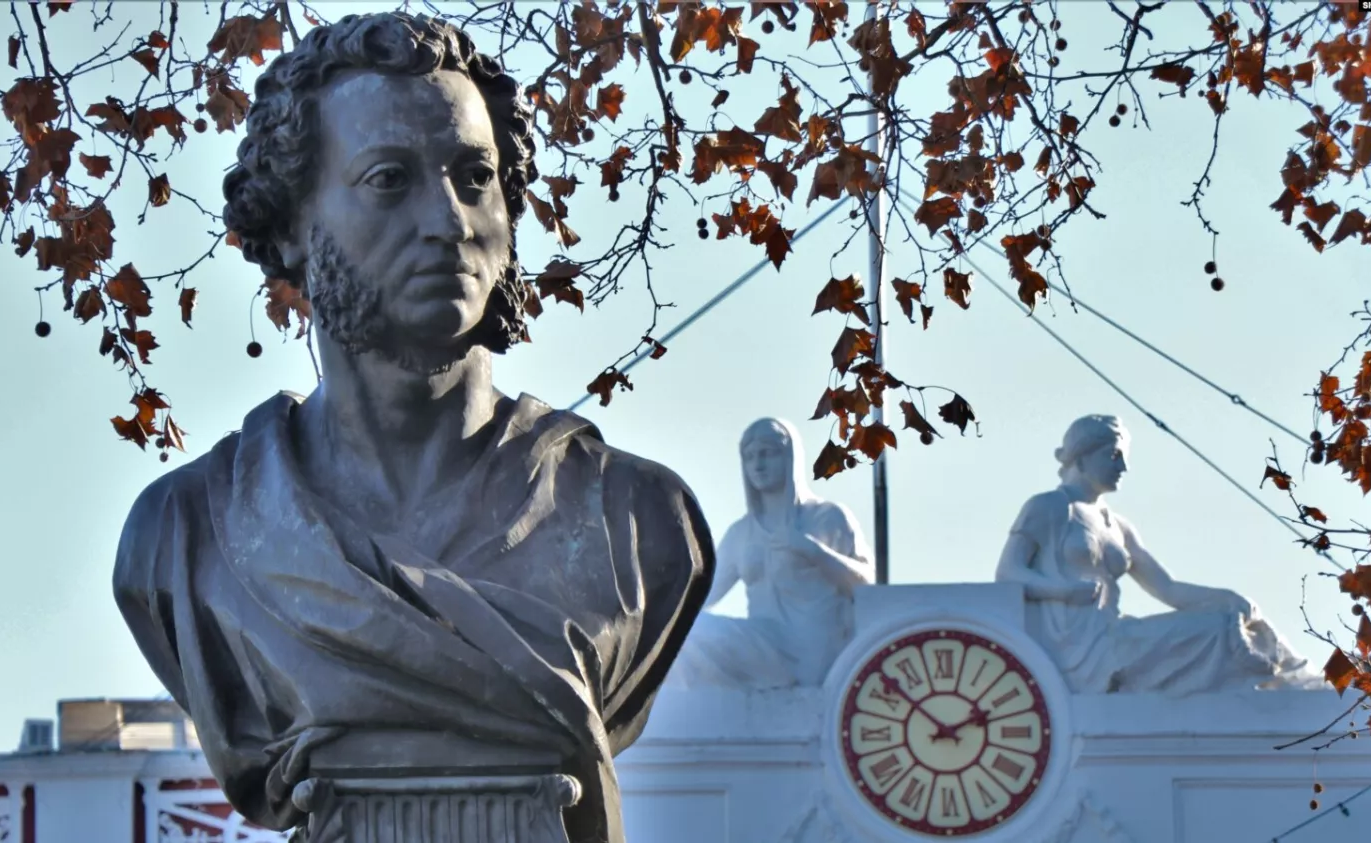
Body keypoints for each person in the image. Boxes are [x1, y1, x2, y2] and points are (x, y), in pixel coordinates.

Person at [111, 13, 714, 843]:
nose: (450, 221)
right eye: (390, 180)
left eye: (475, 177)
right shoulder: (185, 538)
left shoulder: (639, 525)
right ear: (289, 226)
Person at [995, 414, 1320, 695]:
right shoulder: (1049, 507)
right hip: (1077, 650)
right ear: (1081, 458)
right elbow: (1008, 572)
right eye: (1113, 455)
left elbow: (1168, 589)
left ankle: (1300, 680)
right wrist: (1065, 591)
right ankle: (1297, 684)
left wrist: (1227, 597)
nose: (1124, 466)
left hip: (1115, 638)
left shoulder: (1117, 526)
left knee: (1228, 619)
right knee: (1218, 632)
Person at [665, 418, 874, 689]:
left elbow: (866, 584)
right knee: (682, 629)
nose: (758, 464)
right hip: (764, 646)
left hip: (813, 651)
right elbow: (700, 597)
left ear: (789, 457)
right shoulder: (741, 534)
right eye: (749, 456)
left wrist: (813, 551)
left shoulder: (827, 518)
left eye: (767, 452)